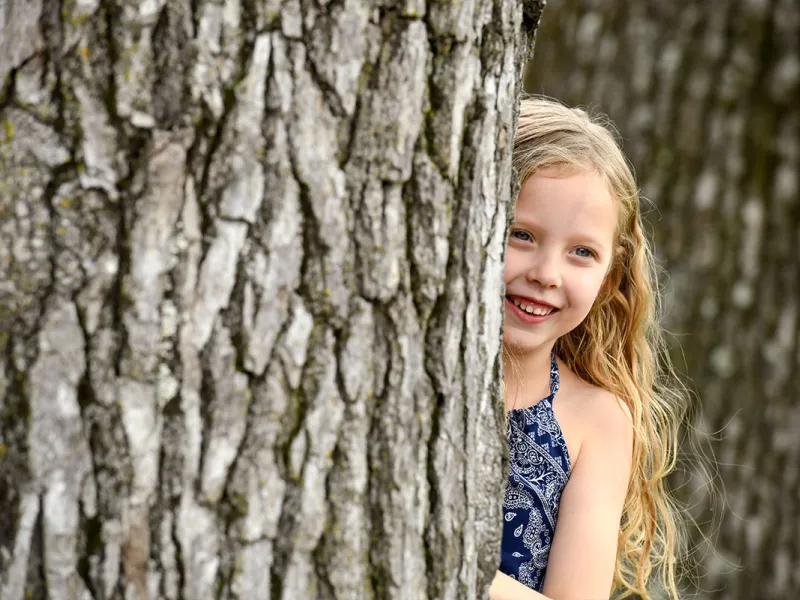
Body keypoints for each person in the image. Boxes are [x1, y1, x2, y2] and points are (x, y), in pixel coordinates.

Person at [488, 98, 690, 600]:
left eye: (582, 252)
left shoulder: (596, 418)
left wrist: (451, 570)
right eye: (522, 234)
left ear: (610, 275)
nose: (546, 274)